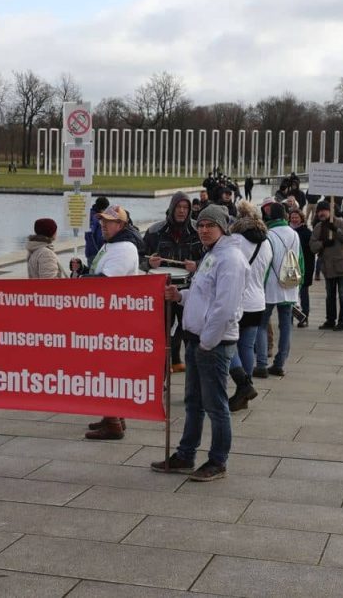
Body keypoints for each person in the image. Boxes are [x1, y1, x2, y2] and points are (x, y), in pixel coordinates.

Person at [152, 204, 245, 482]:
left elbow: (225, 307)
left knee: (216, 405)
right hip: (197, 340)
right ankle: (186, 454)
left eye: (210, 225)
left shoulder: (230, 258)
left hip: (211, 344)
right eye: (201, 225)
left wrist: (207, 341)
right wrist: (180, 296)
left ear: (223, 228)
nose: (203, 230)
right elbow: (202, 292)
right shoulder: (211, 255)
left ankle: (218, 461)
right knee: (193, 402)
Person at [84, 204, 144, 440]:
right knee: (107, 369)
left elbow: (106, 283)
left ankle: (113, 422)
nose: (103, 226)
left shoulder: (123, 248)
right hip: (109, 319)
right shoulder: (113, 245)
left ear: (120, 225)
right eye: (102, 222)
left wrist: (84, 281)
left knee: (107, 369)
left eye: (108, 222)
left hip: (114, 321)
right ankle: (114, 416)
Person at [144, 192, 202, 373]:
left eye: (186, 208)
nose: (182, 211)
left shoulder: (198, 231)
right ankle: (161, 374)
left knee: (190, 333)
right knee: (162, 333)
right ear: (172, 208)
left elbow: (212, 260)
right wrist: (148, 263)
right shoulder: (155, 231)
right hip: (163, 290)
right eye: (179, 207)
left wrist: (197, 266)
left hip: (189, 290)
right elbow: (139, 258)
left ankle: (189, 374)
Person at [226, 201, 272, 411]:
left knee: (225, 344)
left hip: (239, 299)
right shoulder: (266, 242)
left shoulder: (235, 240)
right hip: (258, 301)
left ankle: (243, 385)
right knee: (246, 346)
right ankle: (243, 393)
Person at [254, 202, 302, 378]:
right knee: (286, 326)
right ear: (285, 216)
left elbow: (264, 263)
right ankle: (280, 363)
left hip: (269, 286)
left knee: (261, 324)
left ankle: (261, 363)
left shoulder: (268, 234)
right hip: (289, 285)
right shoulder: (294, 234)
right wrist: (298, 284)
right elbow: (299, 261)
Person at [310, 200, 343, 331]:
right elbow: (312, 246)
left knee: (342, 295)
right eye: (319, 211)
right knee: (330, 296)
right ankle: (330, 320)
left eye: (323, 210)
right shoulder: (318, 227)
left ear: (330, 211)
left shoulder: (341, 222)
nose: (321, 213)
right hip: (328, 267)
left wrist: (336, 230)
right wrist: (323, 244)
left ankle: (342, 322)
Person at [288, 209, 313, 326]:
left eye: (296, 217)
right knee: (290, 294)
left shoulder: (306, 233)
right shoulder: (287, 232)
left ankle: (304, 317)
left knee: (303, 294)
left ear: (301, 218)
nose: (294, 219)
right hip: (290, 268)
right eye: (292, 217)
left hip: (303, 267)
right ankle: (290, 317)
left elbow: (310, 253)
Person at [84, 196, 110, 266]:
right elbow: (90, 234)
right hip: (94, 253)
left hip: (96, 251)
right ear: (102, 208)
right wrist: (98, 251)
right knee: (93, 274)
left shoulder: (95, 215)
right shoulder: (94, 217)